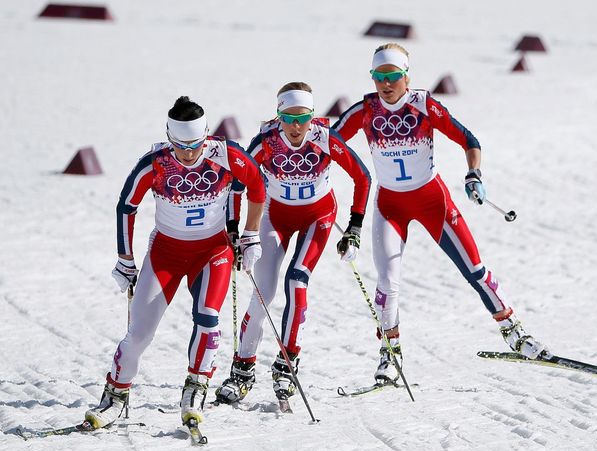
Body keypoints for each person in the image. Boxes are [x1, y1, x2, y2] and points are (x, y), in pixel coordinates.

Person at [332, 43, 547, 383]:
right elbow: (324, 145)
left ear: (406, 76)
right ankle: (390, 355)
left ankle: (515, 332)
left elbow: (469, 140)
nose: (386, 84)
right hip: (390, 205)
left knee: (474, 268)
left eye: (393, 76)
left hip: (433, 200)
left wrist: (474, 174)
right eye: (379, 77)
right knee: (387, 283)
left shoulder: (423, 106)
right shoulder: (364, 110)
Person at [85, 96, 266, 428]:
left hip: (213, 252)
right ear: (170, 137)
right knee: (139, 334)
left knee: (208, 318)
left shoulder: (226, 155)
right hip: (166, 254)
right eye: (180, 145)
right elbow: (126, 205)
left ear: (206, 135)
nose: (188, 153)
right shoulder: (155, 162)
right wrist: (125, 260)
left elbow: (257, 185)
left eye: (195, 144)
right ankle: (115, 394)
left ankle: (195, 388)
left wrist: (251, 234)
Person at [215, 82, 371, 404]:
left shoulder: (324, 138)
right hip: (276, 218)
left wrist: (354, 227)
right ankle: (242, 369)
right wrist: (236, 230)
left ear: (313, 116)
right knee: (263, 294)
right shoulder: (266, 142)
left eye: (303, 118)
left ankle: (287, 366)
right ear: (279, 116)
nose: (296, 126)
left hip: (319, 218)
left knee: (297, 283)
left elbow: (362, 177)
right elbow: (236, 184)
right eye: (288, 117)